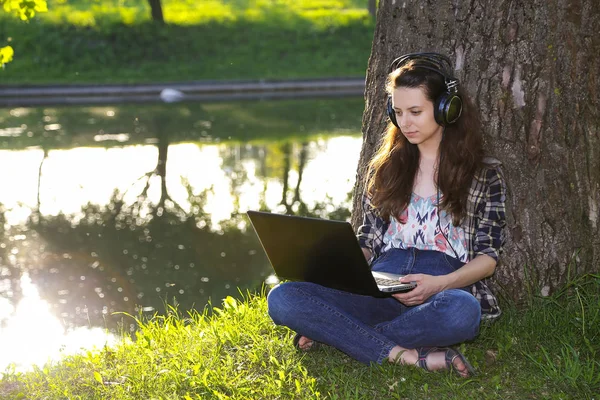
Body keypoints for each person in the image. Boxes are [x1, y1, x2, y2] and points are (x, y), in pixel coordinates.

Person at [266, 52, 507, 377]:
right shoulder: (386, 168)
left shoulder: (482, 175)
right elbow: (368, 240)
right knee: (283, 297)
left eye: (415, 112)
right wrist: (339, 266)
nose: (405, 122)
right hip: (379, 285)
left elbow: (488, 257)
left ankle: (342, 335)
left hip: (442, 285)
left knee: (462, 313)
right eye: (397, 112)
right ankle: (404, 355)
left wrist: (439, 284)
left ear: (445, 109)